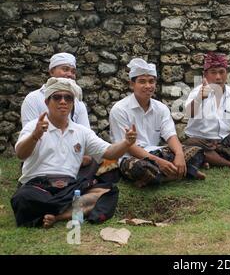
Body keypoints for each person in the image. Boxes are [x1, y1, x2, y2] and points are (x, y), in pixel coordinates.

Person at [11, 77, 137, 228]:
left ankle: (58, 216)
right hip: (38, 186)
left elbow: (109, 152)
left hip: (68, 188)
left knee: (108, 191)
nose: (63, 101)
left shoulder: (81, 131)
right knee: (23, 197)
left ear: (73, 103)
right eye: (57, 97)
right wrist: (35, 136)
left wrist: (126, 143)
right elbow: (20, 154)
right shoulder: (34, 127)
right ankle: (68, 209)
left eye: (68, 98)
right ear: (47, 102)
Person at [109, 58, 206, 188]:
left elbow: (171, 135)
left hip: (155, 152)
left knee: (197, 151)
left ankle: (160, 177)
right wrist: (160, 162)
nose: (148, 86)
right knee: (139, 168)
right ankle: (184, 172)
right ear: (132, 84)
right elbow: (128, 147)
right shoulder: (119, 109)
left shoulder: (161, 108)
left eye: (151, 81)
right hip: (131, 157)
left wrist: (179, 155)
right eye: (142, 81)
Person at [20, 52, 94, 172]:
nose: (69, 74)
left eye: (73, 71)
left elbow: (86, 139)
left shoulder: (78, 102)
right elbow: (29, 139)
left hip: (73, 156)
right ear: (51, 72)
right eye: (65, 69)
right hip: (42, 157)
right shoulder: (33, 98)